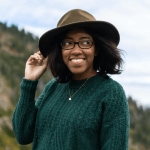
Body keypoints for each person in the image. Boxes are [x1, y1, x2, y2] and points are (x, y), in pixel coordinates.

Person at [12, 9, 130, 150]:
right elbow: (22, 135)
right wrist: (29, 82)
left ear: (96, 49)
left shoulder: (111, 93)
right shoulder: (53, 87)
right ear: (60, 50)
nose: (76, 50)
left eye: (85, 42)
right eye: (68, 43)